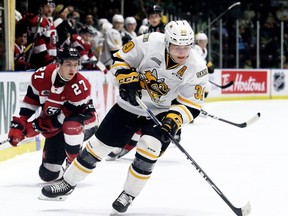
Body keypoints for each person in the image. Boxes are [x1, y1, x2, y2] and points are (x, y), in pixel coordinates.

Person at [39, 20, 208, 215]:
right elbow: (120, 58)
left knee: (149, 147)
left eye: (186, 46)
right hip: (130, 105)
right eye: (177, 46)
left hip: (162, 111)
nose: (181, 52)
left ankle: (128, 195)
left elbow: (191, 105)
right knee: (98, 146)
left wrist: (174, 120)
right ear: (167, 43)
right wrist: (126, 80)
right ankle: (67, 183)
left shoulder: (197, 67)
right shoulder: (150, 41)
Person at [8, 47, 98, 182]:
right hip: (58, 126)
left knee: (71, 125)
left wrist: (35, 127)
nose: (73, 70)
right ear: (58, 64)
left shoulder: (80, 86)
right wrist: (20, 122)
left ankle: (75, 164)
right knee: (48, 175)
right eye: (68, 64)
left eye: (75, 65)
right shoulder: (41, 76)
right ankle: (64, 170)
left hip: (85, 122)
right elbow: (31, 101)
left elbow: (64, 117)